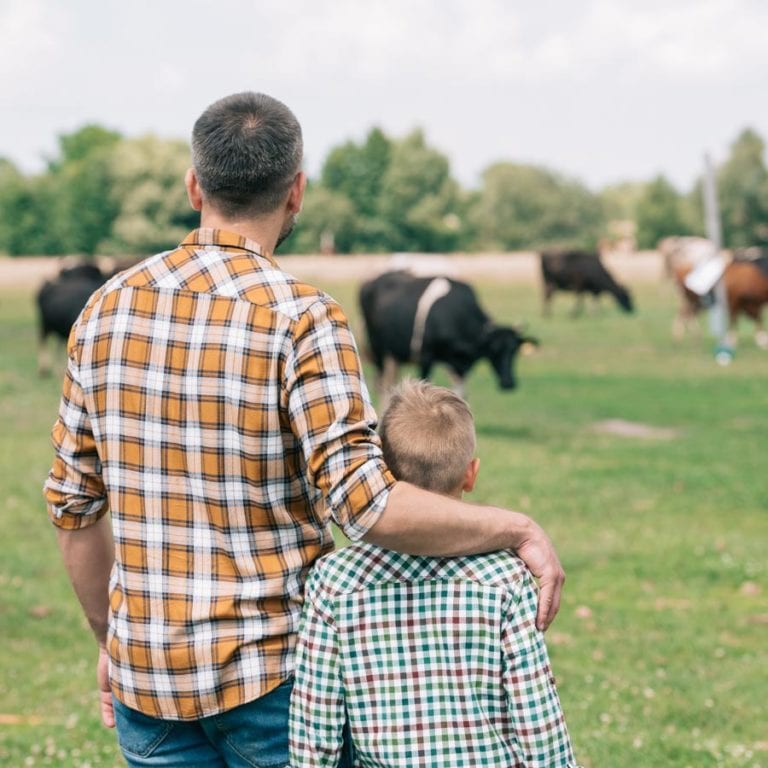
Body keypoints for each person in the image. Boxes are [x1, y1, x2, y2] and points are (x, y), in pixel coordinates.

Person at [43, 92, 565, 767]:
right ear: (297, 192)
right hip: (279, 687)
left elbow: (72, 508)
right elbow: (366, 503)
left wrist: (110, 641)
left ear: (194, 185)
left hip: (150, 685)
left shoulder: (103, 311)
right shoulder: (304, 318)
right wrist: (517, 528)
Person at [290, 380, 578, 767]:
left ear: (383, 473)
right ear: (470, 474)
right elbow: (537, 717)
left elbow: (315, 720)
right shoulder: (506, 579)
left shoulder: (334, 580)